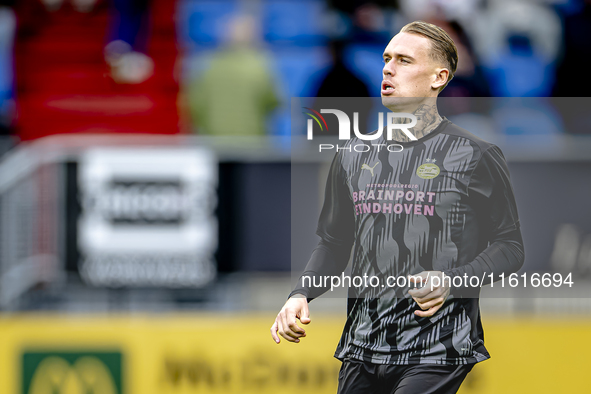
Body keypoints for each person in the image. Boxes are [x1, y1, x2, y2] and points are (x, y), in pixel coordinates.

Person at [270, 21, 524, 394]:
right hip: (362, 347)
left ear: (439, 77)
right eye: (387, 58)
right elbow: (334, 243)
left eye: (404, 60)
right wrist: (300, 294)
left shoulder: (476, 155)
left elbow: (510, 247)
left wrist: (452, 281)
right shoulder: (352, 154)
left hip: (439, 347)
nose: (388, 68)